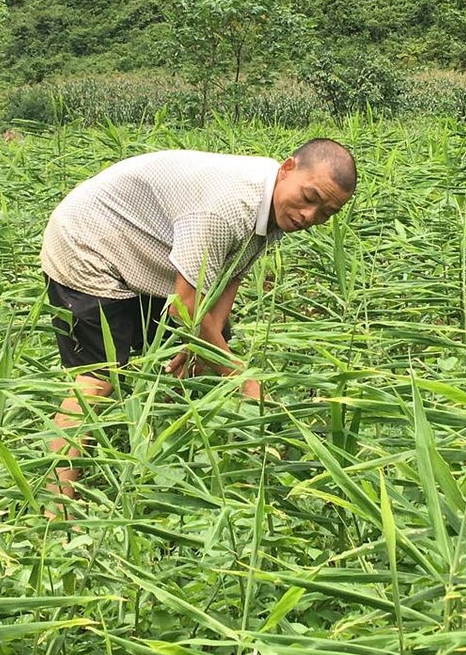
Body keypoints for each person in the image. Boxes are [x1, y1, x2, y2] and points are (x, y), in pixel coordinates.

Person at [40, 138, 356, 499]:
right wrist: (243, 378)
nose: (309, 216)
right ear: (287, 168)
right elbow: (186, 309)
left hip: (145, 251)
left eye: (326, 213)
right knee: (99, 377)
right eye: (310, 197)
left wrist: (209, 348)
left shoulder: (276, 206)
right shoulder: (229, 207)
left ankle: (163, 472)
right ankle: (58, 506)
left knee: (197, 352)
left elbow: (229, 273)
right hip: (89, 244)